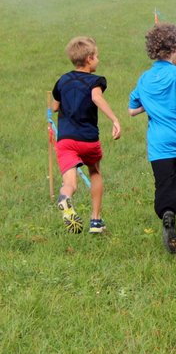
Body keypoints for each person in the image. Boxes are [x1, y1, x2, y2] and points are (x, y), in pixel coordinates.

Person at [128, 23, 176, 254]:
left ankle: (167, 213)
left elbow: (132, 109)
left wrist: (151, 104)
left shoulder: (145, 78)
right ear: (175, 47)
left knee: (164, 183)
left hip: (158, 144)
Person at [52, 36, 122, 234]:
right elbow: (96, 97)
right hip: (88, 140)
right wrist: (114, 119)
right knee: (95, 172)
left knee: (70, 183)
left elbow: (55, 107)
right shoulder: (95, 81)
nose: (98, 60)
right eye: (97, 56)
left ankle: (65, 198)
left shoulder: (63, 80)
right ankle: (96, 221)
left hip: (66, 140)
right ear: (89, 59)